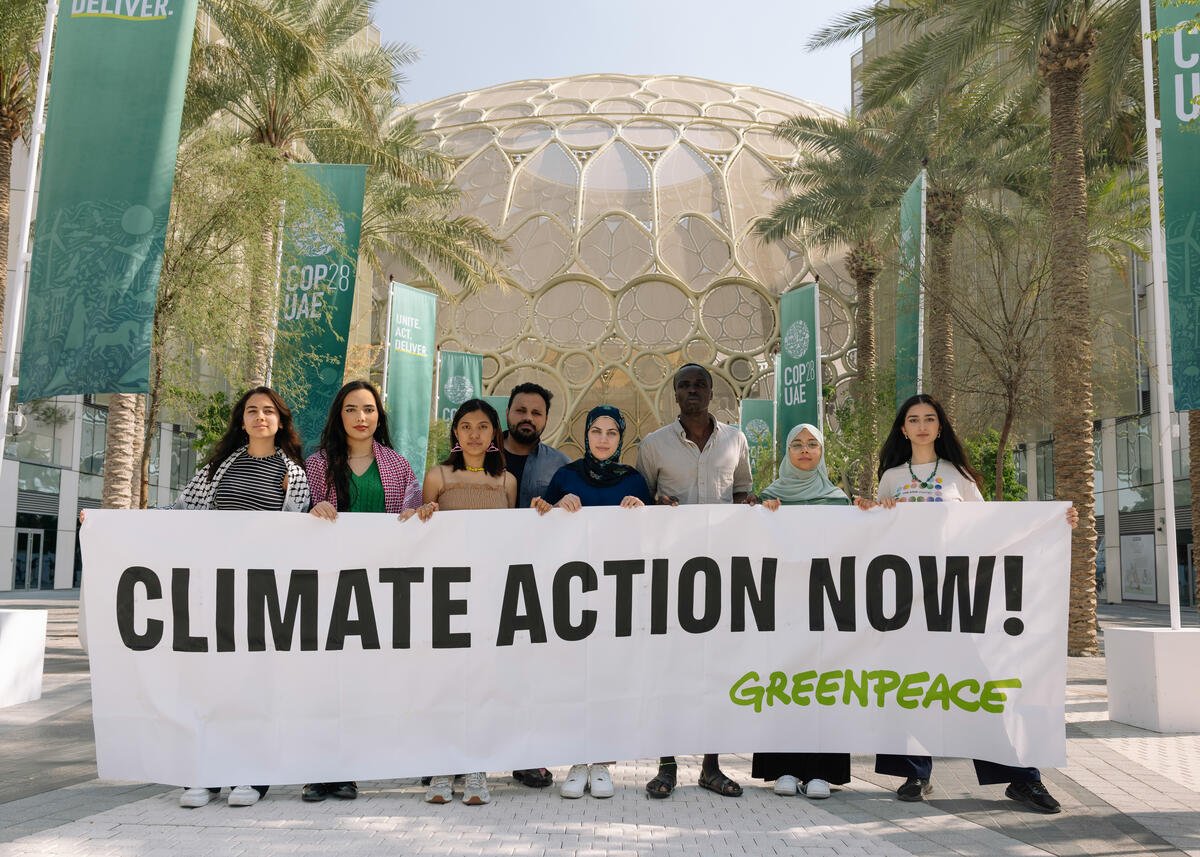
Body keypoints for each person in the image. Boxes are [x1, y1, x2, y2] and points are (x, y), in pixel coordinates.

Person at [866, 393, 1074, 815]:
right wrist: (873, 508)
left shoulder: (958, 476)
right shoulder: (890, 478)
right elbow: (877, 536)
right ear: (902, 429)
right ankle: (916, 772)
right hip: (908, 602)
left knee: (979, 686)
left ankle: (1022, 778)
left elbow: (989, 526)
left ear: (940, 427)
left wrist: (1051, 523)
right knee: (910, 687)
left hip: (956, 598)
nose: (922, 425)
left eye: (929, 419)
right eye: (913, 419)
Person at [172, 386, 311, 809]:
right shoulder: (216, 468)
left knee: (256, 684)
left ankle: (251, 773)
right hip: (217, 586)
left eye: (268, 411)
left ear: (281, 421)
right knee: (213, 682)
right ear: (242, 420)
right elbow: (179, 514)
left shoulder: (295, 474)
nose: (260, 417)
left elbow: (297, 535)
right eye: (252, 411)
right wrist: (110, 524)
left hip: (265, 591)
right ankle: (207, 773)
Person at [301, 380, 421, 803]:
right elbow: (295, 516)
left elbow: (415, 513)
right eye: (352, 409)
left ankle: (348, 770)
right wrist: (311, 511)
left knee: (360, 683)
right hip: (327, 586)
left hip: (377, 588)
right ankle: (319, 771)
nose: (361, 417)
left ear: (378, 416)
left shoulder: (399, 466)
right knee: (323, 682)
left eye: (368, 409)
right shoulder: (316, 466)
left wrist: (415, 514)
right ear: (340, 416)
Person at [636, 363, 752, 799]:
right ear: (674, 394)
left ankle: (711, 766)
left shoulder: (736, 440)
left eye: (699, 384)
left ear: (711, 391)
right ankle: (667, 766)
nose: (692, 391)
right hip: (671, 574)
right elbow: (638, 500)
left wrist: (753, 505)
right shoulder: (653, 445)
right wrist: (655, 502)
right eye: (684, 385)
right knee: (670, 670)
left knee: (714, 671)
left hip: (722, 573)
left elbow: (742, 491)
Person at [531, 404, 652, 799]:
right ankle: (575, 760)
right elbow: (540, 525)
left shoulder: (633, 480)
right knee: (572, 676)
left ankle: (601, 762)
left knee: (609, 677)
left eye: (611, 433)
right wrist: (553, 508)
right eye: (596, 431)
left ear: (621, 439)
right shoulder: (565, 476)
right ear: (585, 435)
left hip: (617, 599)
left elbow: (651, 542)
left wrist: (641, 511)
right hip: (572, 597)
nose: (603, 439)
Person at [410, 398, 517, 806]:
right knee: (446, 681)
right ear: (455, 432)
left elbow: (514, 539)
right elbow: (423, 528)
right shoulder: (437, 476)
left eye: (484, 427)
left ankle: (476, 767)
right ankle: (441, 766)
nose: (475, 434)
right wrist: (423, 514)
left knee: (483, 683)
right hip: (447, 595)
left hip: (490, 596)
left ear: (494, 435)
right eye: (467, 426)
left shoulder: (506, 482)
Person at [753, 423, 853, 800]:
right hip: (782, 609)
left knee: (823, 686)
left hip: (826, 609)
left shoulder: (838, 500)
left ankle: (821, 774)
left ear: (823, 451)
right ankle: (783, 769)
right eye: (797, 444)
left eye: (813, 444)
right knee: (783, 684)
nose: (805, 450)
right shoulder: (770, 498)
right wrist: (763, 514)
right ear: (787, 453)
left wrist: (867, 513)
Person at [500, 381, 569, 789]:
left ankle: (528, 755)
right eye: (521, 410)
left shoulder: (560, 465)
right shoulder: (476, 454)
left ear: (546, 419)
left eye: (536, 413)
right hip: (481, 577)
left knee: (531, 672)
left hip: (536, 583)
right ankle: (454, 758)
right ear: (508, 412)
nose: (528, 418)